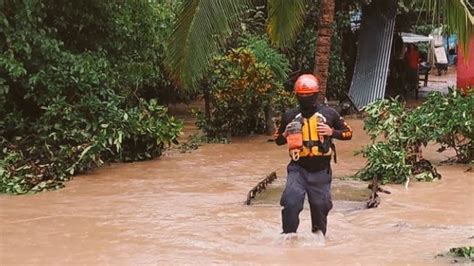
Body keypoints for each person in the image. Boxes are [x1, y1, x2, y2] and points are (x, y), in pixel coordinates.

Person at [274, 74, 353, 238]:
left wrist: (332, 132)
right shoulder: (289, 116)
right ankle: (288, 238)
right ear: (296, 95)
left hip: (321, 170)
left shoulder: (330, 114)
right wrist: (285, 133)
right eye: (301, 95)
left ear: (316, 94)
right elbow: (277, 140)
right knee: (291, 202)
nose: (305, 98)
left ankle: (318, 240)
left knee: (320, 206)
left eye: (308, 95)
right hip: (298, 168)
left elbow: (349, 133)